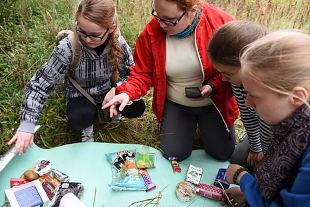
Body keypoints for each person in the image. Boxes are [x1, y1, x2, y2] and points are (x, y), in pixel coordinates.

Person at [103, 0, 239, 162]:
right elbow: (142, 73)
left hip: (214, 103)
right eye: (157, 15)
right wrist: (126, 93)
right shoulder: (152, 32)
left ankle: (207, 128)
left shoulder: (221, 25)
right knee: (173, 154)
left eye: (168, 19)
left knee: (222, 153)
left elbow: (233, 69)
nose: (161, 24)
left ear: (192, 10)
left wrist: (213, 85)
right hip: (177, 104)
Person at [8, 0, 145, 155]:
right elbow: (40, 84)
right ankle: (87, 126)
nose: (87, 39)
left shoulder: (118, 42)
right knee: (80, 117)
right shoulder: (68, 48)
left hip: (109, 93)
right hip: (80, 95)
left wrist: (117, 89)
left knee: (137, 106)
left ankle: (111, 112)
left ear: (110, 29)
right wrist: (27, 124)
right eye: (82, 31)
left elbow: (133, 74)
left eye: (94, 35)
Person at [224, 31, 310, 207]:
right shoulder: (294, 124)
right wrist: (249, 194)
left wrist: (243, 178)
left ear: (296, 97)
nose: (247, 103)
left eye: (255, 96)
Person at [208, 20, 273, 169]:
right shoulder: (237, 81)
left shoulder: (272, 90)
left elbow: (268, 127)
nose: (223, 79)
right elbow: (248, 115)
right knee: (238, 159)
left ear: (253, 64)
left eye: (228, 74)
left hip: (281, 140)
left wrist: (266, 155)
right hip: (262, 134)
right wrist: (256, 148)